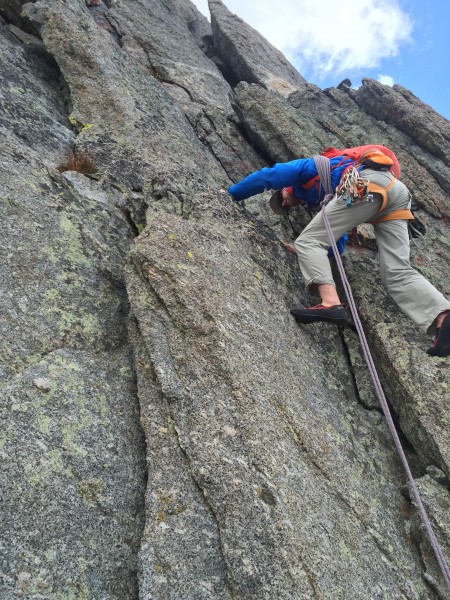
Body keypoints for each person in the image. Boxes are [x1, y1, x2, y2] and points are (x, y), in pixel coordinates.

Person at [228, 152, 450, 357]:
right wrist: (309, 254)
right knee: (397, 271)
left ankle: (330, 303)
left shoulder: (309, 167)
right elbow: (338, 243)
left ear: (287, 187)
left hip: (369, 183)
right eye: (284, 207)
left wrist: (230, 195)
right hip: (397, 195)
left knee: (308, 240)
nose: (284, 203)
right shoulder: (324, 195)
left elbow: (269, 175)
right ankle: (443, 316)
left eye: (281, 198)